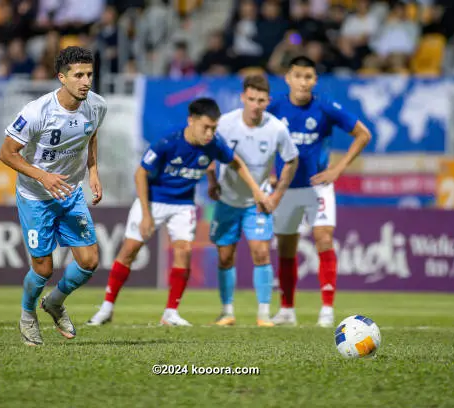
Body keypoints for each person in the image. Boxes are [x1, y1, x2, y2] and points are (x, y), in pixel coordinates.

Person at [86, 98, 272, 326]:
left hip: (183, 204)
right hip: (153, 200)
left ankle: (171, 312)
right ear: (191, 121)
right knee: (130, 250)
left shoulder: (214, 144)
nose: (210, 133)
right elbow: (140, 174)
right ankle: (106, 308)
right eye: (206, 127)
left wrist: (252, 191)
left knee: (183, 251)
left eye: (214, 128)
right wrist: (146, 214)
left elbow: (236, 162)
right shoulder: (167, 142)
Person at [0, 46, 107, 346]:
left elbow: (91, 133)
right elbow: (6, 153)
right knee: (44, 268)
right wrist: (42, 175)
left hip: (70, 193)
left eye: (89, 75)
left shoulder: (96, 106)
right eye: (78, 75)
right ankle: (27, 313)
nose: (85, 81)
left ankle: (55, 302)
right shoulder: (37, 112)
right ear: (62, 78)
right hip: (36, 196)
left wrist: (93, 171)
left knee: (89, 260)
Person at [268, 56, 372, 327]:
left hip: (317, 186)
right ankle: (287, 310)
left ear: (315, 81)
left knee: (323, 238)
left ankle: (327, 309)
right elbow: (261, 140)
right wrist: (269, 170)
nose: (303, 82)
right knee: (286, 247)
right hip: (287, 188)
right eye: (298, 76)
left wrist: (338, 169)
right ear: (287, 78)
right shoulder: (274, 107)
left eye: (309, 77)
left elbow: (363, 134)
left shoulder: (325, 107)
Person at [207, 75, 298, 327]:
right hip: (227, 199)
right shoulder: (225, 124)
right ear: (242, 98)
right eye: (251, 99)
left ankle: (264, 314)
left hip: (257, 202)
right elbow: (209, 150)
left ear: (268, 100)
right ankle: (227, 312)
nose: (256, 105)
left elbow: (291, 159)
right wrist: (212, 180)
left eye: (261, 100)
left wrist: (277, 194)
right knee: (225, 256)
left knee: (261, 253)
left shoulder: (277, 128)